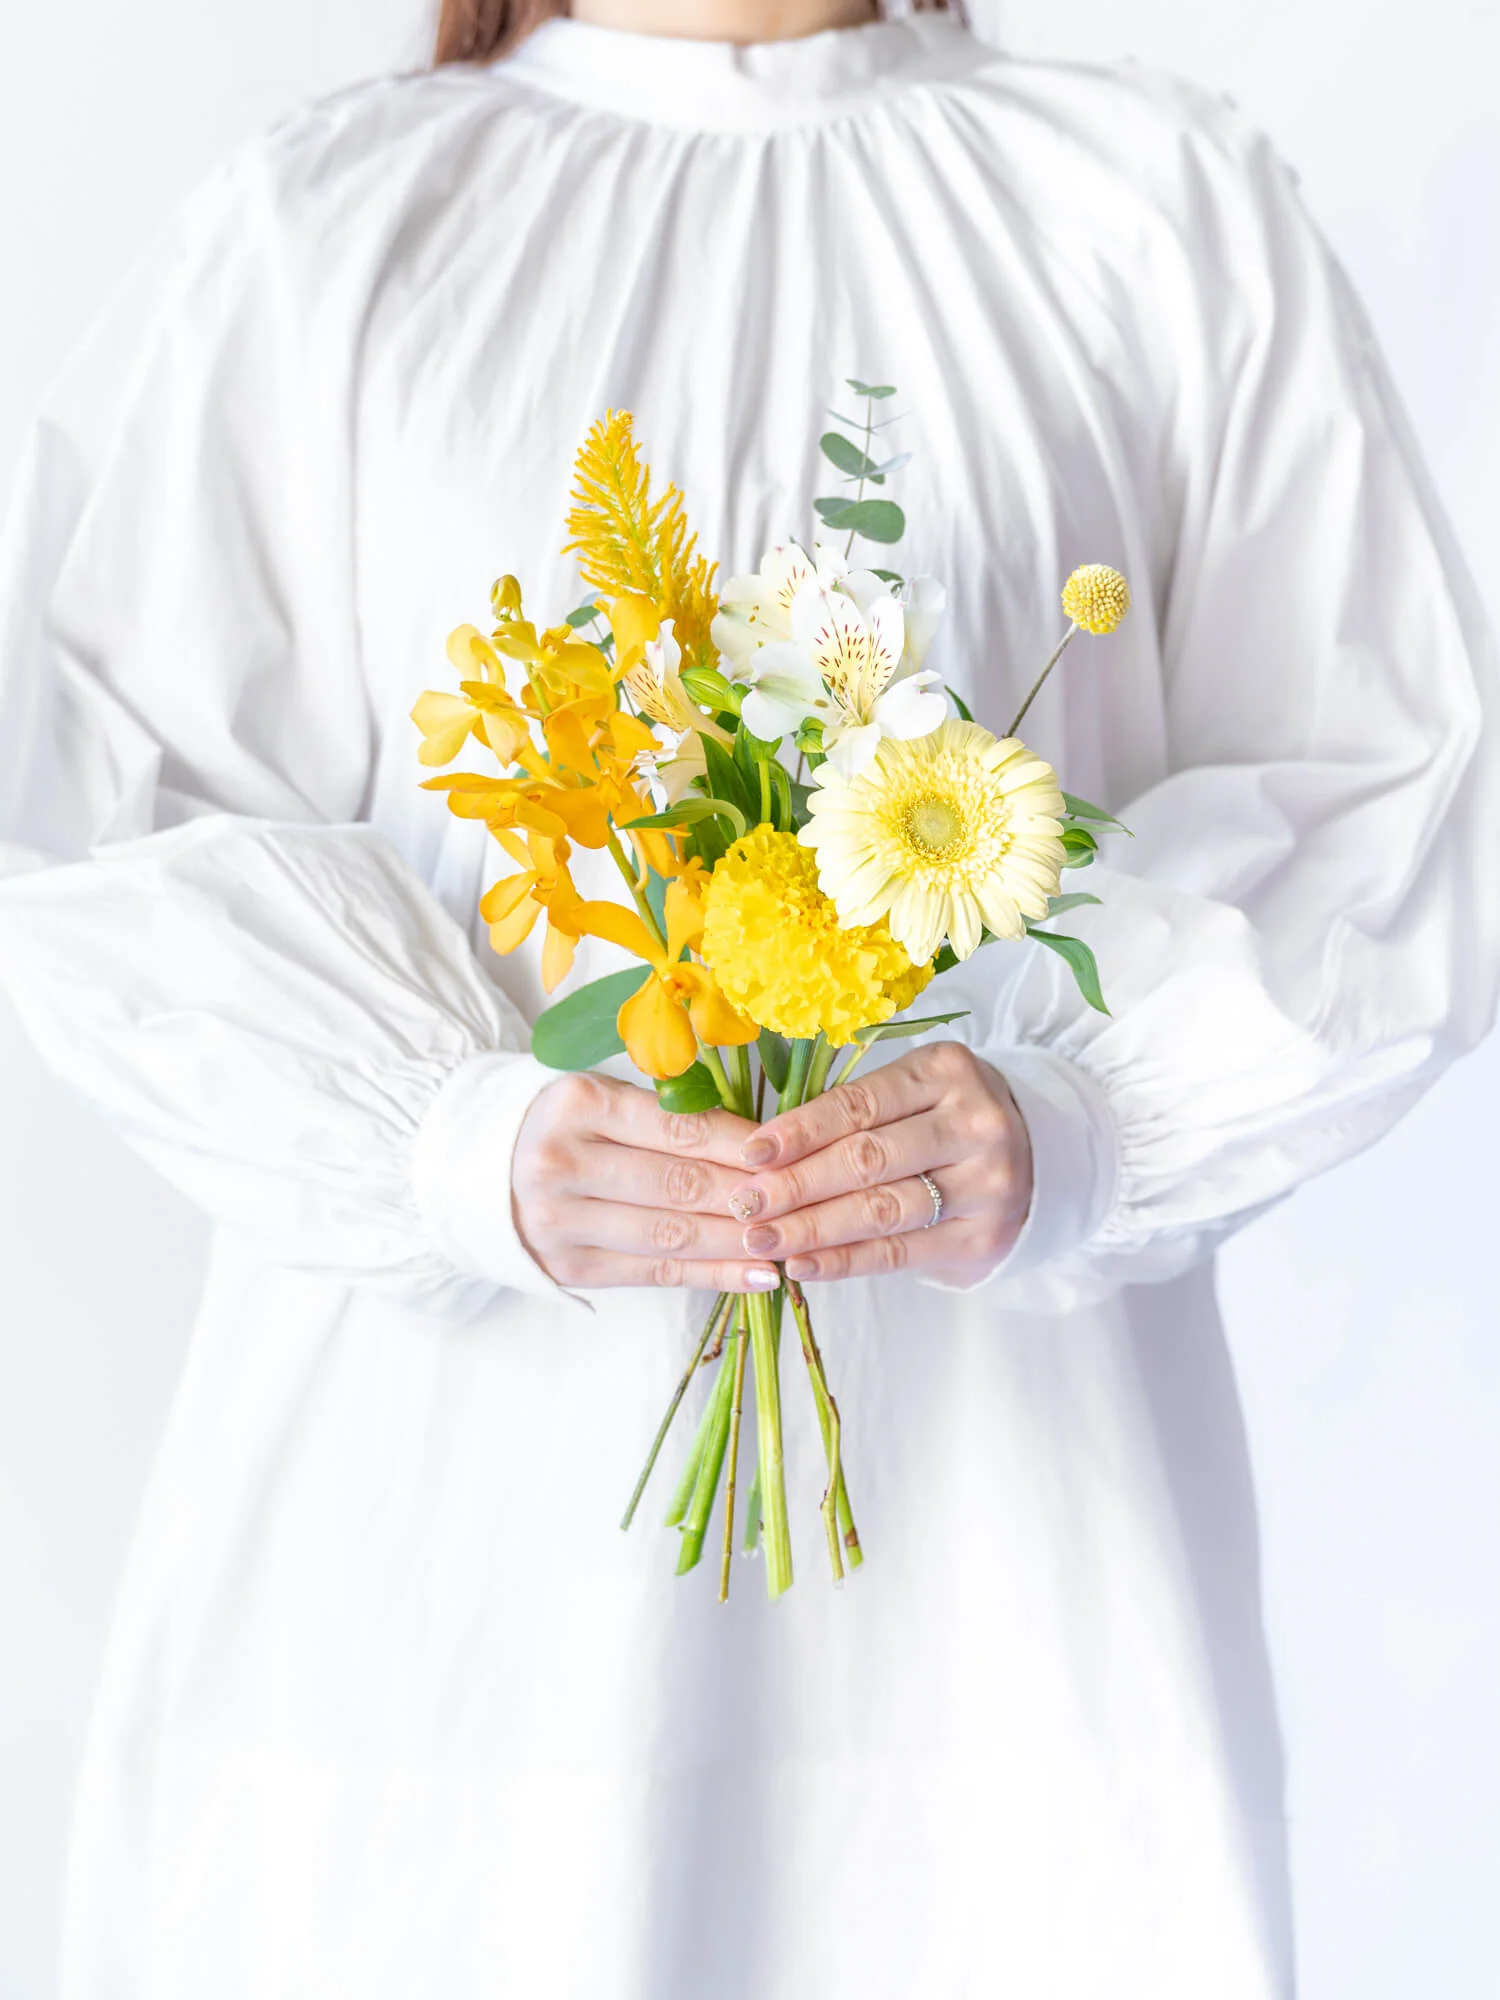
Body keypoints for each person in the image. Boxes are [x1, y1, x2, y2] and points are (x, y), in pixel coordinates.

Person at [0, 0, 1494, 1991]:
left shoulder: (1147, 206)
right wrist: (451, 1142)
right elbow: (97, 820)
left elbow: (1389, 798)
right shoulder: (332, 227)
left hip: (1007, 1668)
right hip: (432, 1655)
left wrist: (1079, 1121)